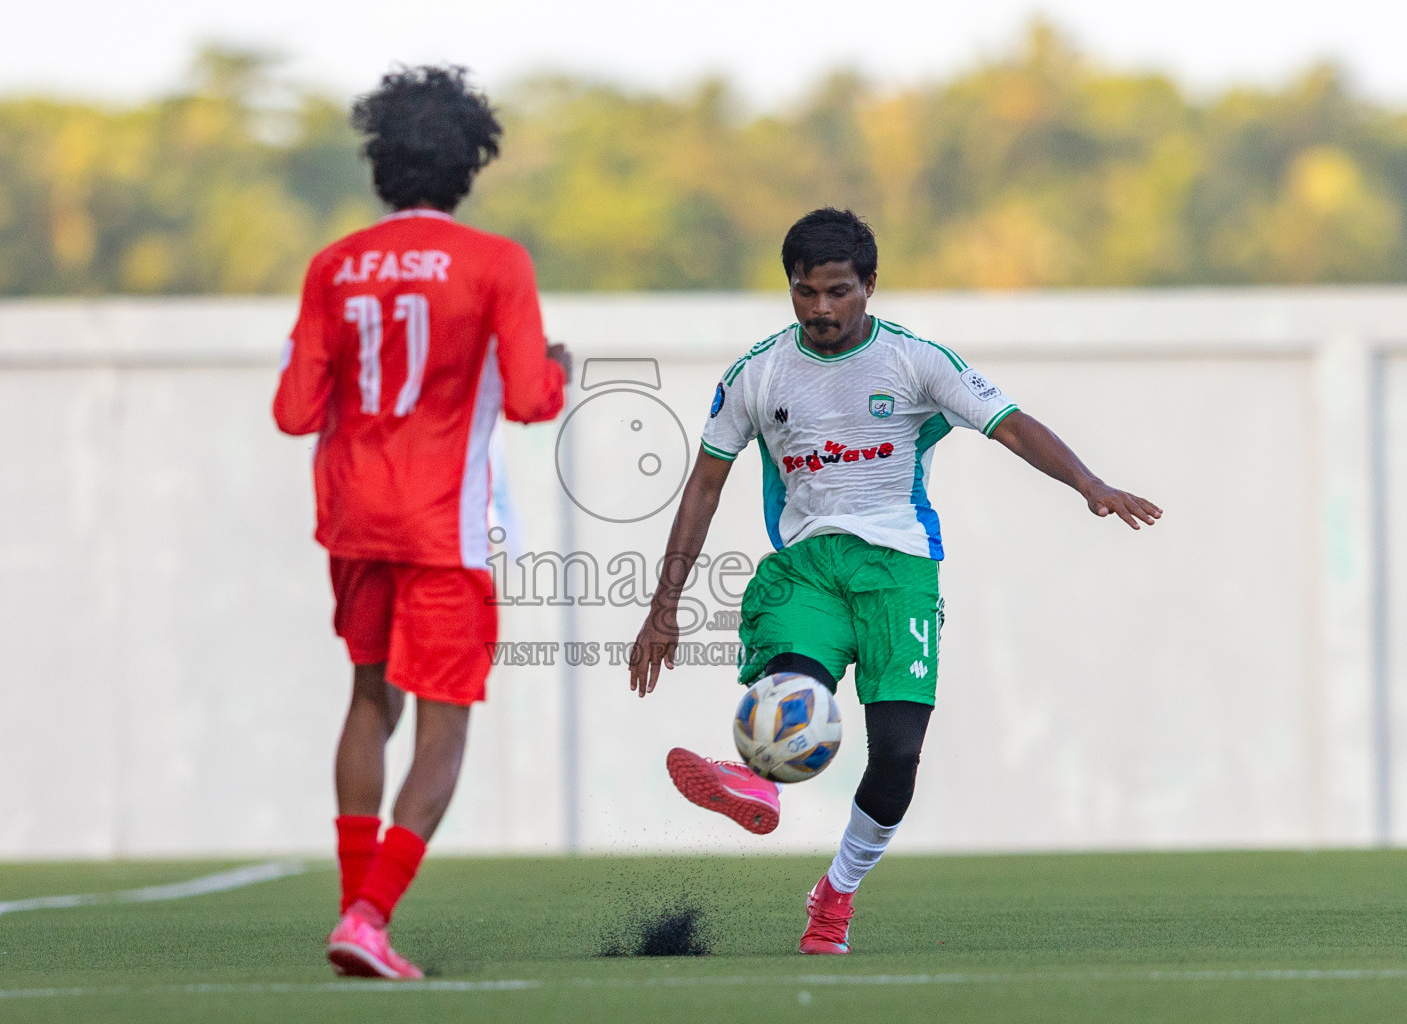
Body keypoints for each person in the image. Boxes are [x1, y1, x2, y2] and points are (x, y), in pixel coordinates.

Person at [627, 208, 1160, 955]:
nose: (820, 309)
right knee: (795, 692)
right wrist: (663, 608)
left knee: (898, 756)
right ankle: (759, 781)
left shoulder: (916, 361)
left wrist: (1088, 482)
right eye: (805, 292)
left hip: (898, 570)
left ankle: (834, 894)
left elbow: (1009, 422)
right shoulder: (758, 373)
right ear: (790, 289)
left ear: (869, 286)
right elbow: (705, 486)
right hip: (807, 567)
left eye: (837, 291)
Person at [274, 65, 570, 979]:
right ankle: (369, 916)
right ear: (468, 166)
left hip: (352, 513)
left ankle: (354, 912)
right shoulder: (494, 263)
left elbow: (293, 410)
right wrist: (560, 367)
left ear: (380, 165)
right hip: (444, 520)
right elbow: (528, 399)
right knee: (447, 722)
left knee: (369, 697)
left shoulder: (334, 267)